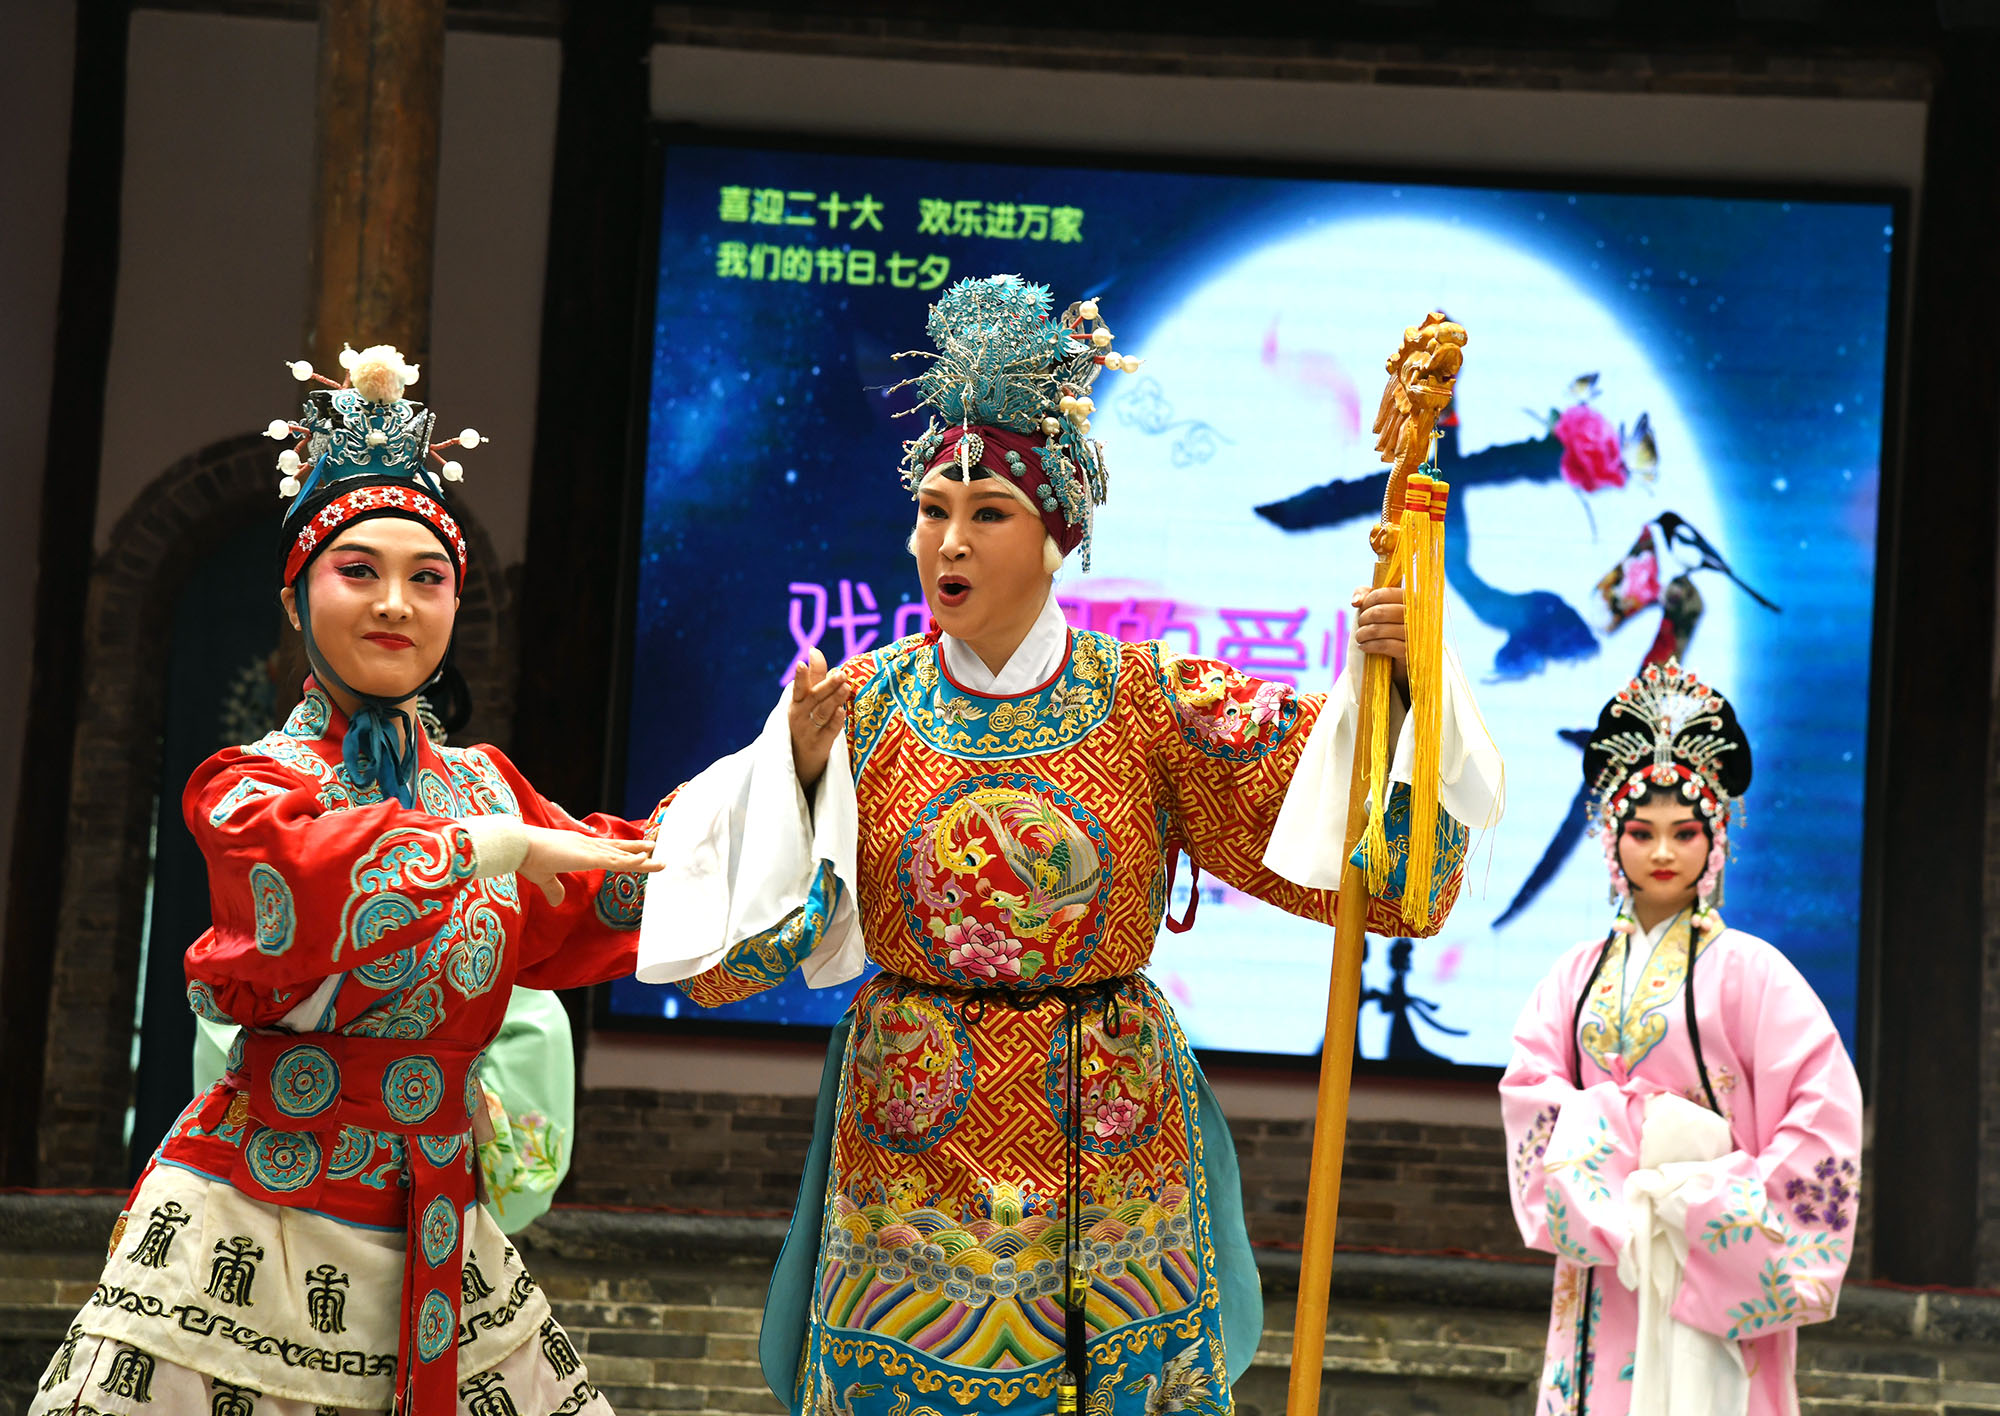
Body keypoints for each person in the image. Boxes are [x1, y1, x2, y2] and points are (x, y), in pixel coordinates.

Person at [635, 275, 1506, 1416]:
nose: (949, 541)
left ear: (1059, 536)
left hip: (1110, 1118)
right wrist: (796, 770)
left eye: (988, 512)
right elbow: (718, 912)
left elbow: (1341, 827)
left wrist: (1402, 685)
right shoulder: (861, 705)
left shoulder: (1146, 700)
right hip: (913, 1132)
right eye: (931, 509)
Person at [31, 343, 669, 1416]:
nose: (396, 605)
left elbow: (616, 882)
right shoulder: (250, 786)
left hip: (437, 1220)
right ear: (295, 598)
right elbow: (307, 885)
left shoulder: (483, 785)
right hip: (260, 1207)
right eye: (358, 571)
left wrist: (787, 779)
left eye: (428, 579)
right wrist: (486, 850)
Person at [1500, 661, 1861, 1416]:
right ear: (1612, 839)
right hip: (1608, 1262)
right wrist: (1628, 1165)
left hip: (1716, 1256)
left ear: (1715, 838)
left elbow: (1823, 1110)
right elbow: (1530, 1097)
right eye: (1642, 832)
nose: (1662, 852)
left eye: (1684, 832)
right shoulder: (1572, 978)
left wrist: (1707, 1197)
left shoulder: (1754, 973)